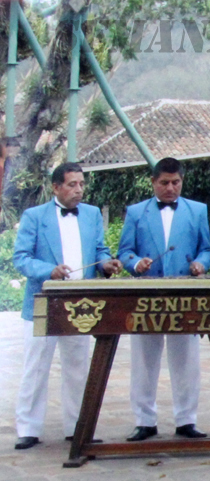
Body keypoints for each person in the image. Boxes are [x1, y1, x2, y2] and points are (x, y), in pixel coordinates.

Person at [12, 162, 121, 449]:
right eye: (72, 184)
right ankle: (28, 428)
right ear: (56, 187)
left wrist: (107, 264)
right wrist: (49, 270)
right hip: (43, 301)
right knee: (36, 366)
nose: (78, 190)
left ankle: (77, 426)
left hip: (80, 301)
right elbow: (21, 258)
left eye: (82, 184)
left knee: (77, 366)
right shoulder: (34, 216)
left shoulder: (92, 214)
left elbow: (100, 250)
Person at [117, 157, 210, 442]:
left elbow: (206, 250)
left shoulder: (197, 211)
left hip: (185, 295)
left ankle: (186, 419)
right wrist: (136, 264)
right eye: (164, 183)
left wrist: (200, 264)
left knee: (186, 359)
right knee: (144, 359)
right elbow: (125, 252)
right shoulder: (136, 213)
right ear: (153, 182)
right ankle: (144, 420)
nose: (171, 188)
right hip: (146, 296)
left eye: (176, 183)